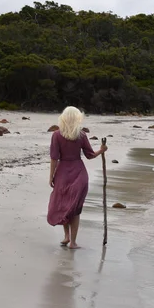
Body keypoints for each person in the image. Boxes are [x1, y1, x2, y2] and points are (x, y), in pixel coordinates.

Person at [47, 106, 107, 249]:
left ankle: (67, 236)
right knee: (75, 208)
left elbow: (54, 158)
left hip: (62, 172)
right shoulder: (81, 135)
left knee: (64, 204)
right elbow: (90, 155)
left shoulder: (56, 135)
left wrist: (51, 176)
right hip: (79, 173)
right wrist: (101, 150)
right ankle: (72, 242)